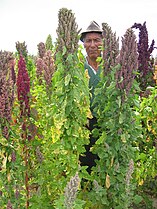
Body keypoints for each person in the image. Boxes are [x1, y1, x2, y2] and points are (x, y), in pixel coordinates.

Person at [79, 21, 103, 173]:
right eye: (89, 41)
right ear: (83, 44)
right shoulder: (79, 66)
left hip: (107, 124)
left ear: (104, 43)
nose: (93, 45)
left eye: (97, 40)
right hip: (84, 125)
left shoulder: (113, 66)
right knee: (86, 165)